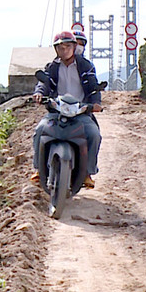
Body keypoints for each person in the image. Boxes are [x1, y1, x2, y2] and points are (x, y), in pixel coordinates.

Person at [32, 31, 103, 188]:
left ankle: (87, 173)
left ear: (74, 47)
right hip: (57, 110)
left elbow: (93, 86)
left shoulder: (86, 65)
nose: (64, 51)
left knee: (94, 134)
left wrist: (95, 103)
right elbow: (44, 83)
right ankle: (39, 169)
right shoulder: (52, 67)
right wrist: (39, 94)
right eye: (60, 47)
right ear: (56, 50)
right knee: (39, 131)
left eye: (68, 46)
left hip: (80, 111)